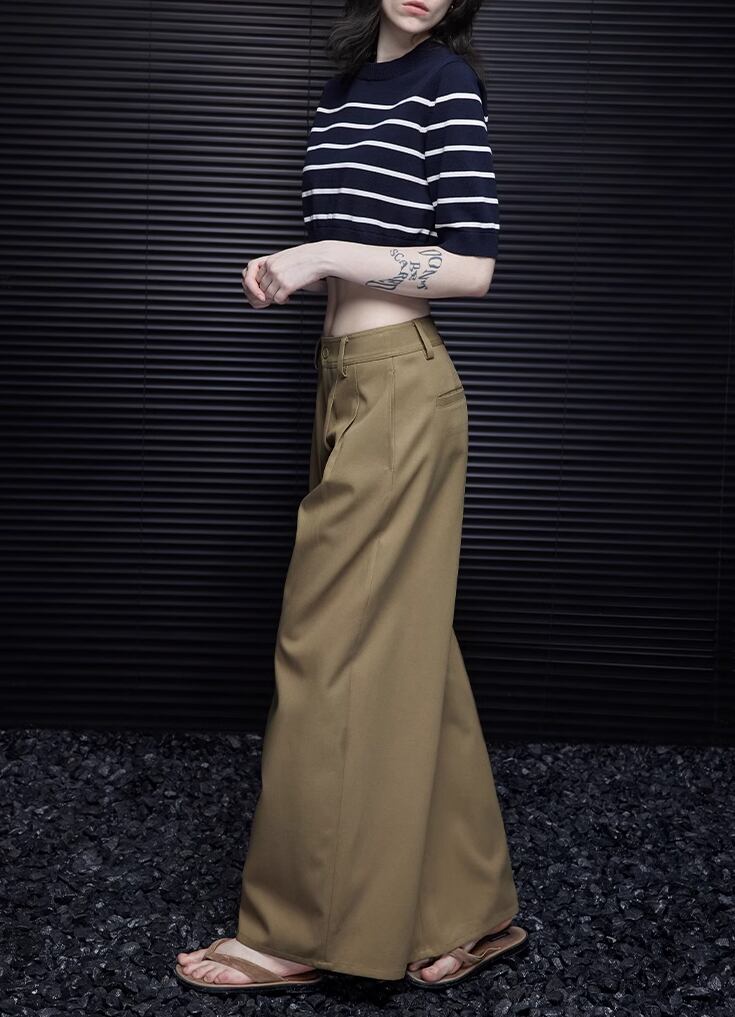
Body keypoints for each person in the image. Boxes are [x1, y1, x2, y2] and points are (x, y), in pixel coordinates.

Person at [174, 0, 528, 994]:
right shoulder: (343, 91)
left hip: (401, 390)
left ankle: (295, 931)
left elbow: (472, 267)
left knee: (322, 645)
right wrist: (300, 270)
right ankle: (469, 908)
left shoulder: (446, 86)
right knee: (409, 646)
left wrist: (322, 256)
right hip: (345, 384)